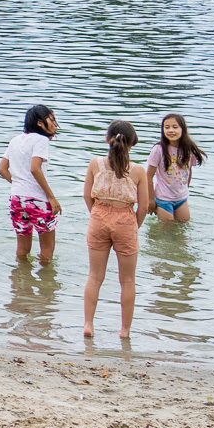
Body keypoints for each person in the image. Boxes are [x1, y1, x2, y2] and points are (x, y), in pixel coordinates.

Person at [83, 120, 151, 339]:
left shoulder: (95, 164)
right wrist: (134, 226)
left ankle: (89, 325)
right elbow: (144, 207)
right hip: (125, 220)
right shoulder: (138, 170)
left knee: (94, 276)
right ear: (132, 144)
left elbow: (87, 195)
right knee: (128, 280)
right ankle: (125, 330)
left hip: (98, 217)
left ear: (107, 140)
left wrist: (98, 213)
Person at [0, 104, 61, 263]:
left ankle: (22, 282)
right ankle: (46, 284)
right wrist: (52, 198)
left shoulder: (15, 140)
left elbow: (2, 169)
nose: (55, 123)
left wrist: (19, 183)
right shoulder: (41, 140)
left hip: (17, 199)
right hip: (37, 200)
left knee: (22, 249)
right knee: (47, 249)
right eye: (52, 119)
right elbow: (35, 168)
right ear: (40, 123)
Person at [147, 113, 205, 224]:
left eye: (175, 127)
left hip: (181, 198)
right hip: (163, 198)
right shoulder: (158, 149)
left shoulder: (188, 149)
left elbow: (189, 171)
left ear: (183, 129)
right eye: (167, 127)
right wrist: (150, 200)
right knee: (167, 231)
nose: (170, 130)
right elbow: (148, 176)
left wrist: (185, 189)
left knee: (183, 228)